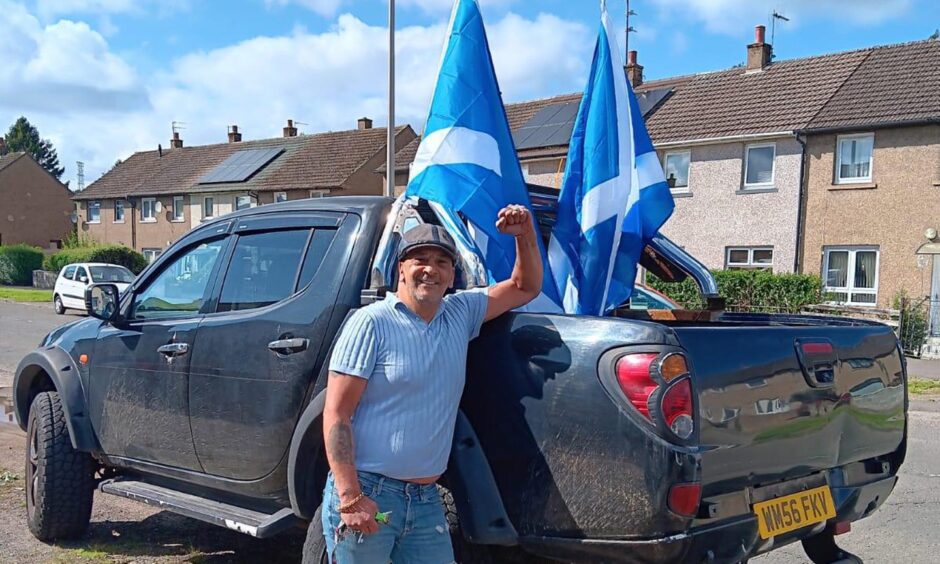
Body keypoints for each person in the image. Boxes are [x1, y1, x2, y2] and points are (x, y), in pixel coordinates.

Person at [321, 204, 542, 563]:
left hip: (424, 501)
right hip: (371, 495)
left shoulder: (460, 313)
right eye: (419, 259)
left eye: (442, 262)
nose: (431, 270)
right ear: (400, 270)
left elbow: (525, 286)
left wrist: (525, 235)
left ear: (452, 275)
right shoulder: (370, 323)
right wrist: (350, 497)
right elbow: (337, 414)